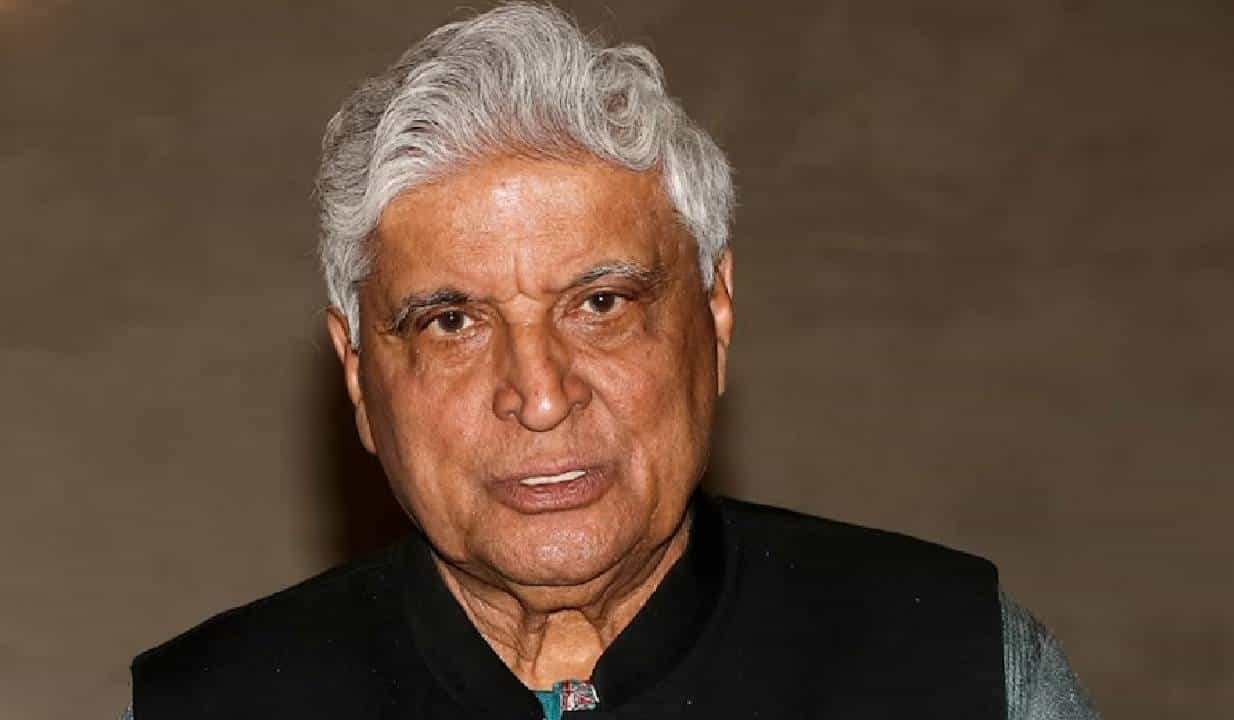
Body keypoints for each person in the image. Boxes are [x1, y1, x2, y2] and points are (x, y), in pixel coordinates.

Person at [126, 4, 1098, 718]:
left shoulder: (960, 669)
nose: (540, 396)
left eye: (600, 305)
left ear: (714, 318)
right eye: (452, 322)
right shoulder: (211, 707)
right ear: (356, 376)